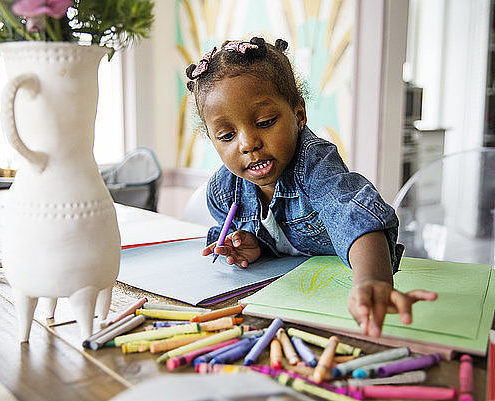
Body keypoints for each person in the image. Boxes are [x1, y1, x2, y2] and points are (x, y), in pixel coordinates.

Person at [185, 37, 437, 337]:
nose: (248, 144)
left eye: (265, 122)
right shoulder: (224, 193)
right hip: (276, 313)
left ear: (298, 115)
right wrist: (254, 246)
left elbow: (353, 216)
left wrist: (373, 282)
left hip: (331, 310)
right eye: (226, 135)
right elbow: (274, 242)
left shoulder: (315, 164)